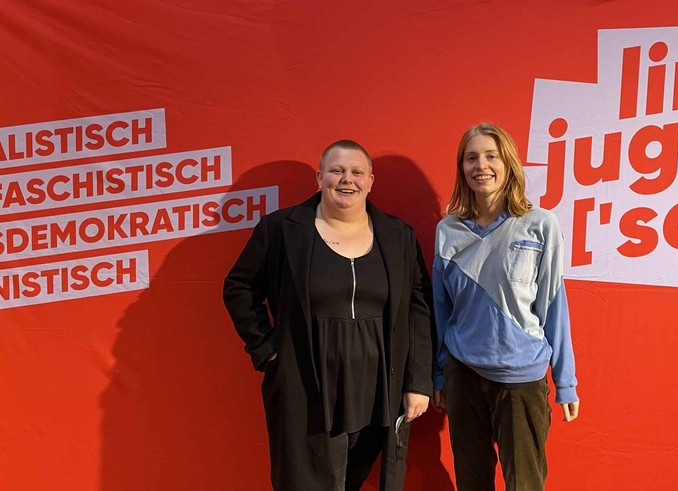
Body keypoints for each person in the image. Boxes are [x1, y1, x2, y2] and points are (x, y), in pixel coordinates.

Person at [223, 140, 433, 491]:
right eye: (336, 171)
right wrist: (267, 350)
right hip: (307, 381)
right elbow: (238, 287)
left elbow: (418, 307)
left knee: (354, 477)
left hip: (378, 383)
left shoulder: (398, 235)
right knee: (307, 481)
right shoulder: (281, 229)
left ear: (370, 180)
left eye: (356, 172)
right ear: (320, 177)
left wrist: (417, 382)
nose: (346, 179)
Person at [431, 123, 580, 491]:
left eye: (491, 156)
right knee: (471, 480)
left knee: (525, 484)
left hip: (520, 381)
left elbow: (554, 306)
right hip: (462, 376)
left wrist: (566, 382)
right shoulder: (448, 230)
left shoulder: (541, 225)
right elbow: (440, 310)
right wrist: (438, 374)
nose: (481, 165)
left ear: (508, 163)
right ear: (462, 168)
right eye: (471, 158)